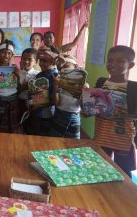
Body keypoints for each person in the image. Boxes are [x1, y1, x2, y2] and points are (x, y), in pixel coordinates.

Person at [91, 46, 137, 177]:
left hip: (122, 137)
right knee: (99, 168)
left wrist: (122, 114)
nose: (113, 64)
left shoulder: (133, 87)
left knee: (123, 172)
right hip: (102, 135)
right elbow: (95, 104)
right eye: (110, 60)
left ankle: (125, 197)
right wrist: (88, 109)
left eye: (119, 61)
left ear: (131, 65)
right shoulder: (101, 82)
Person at [50, 55, 87, 139]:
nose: (64, 70)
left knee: (73, 143)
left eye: (66, 67)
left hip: (74, 117)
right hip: (59, 115)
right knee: (54, 140)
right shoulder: (58, 81)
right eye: (61, 68)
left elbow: (83, 107)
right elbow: (56, 103)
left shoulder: (84, 85)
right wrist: (56, 86)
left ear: (76, 67)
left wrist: (84, 93)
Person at [29, 50, 58, 135]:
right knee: (36, 133)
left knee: (45, 136)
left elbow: (54, 99)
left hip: (48, 113)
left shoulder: (55, 76)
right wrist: (30, 102)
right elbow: (34, 93)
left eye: (44, 61)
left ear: (52, 61)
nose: (41, 63)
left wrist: (38, 105)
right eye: (40, 61)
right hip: (37, 112)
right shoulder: (39, 75)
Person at [0, 41, 21, 133]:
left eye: (9, 53)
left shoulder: (15, 68)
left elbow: (19, 85)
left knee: (11, 125)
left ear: (12, 55)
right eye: (3, 52)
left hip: (13, 100)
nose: (6, 55)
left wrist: (18, 76)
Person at [18, 48, 39, 133]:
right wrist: (23, 87)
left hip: (33, 106)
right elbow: (14, 90)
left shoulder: (37, 75)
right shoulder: (17, 73)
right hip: (19, 103)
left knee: (31, 128)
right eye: (24, 59)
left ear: (35, 61)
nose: (26, 61)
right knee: (19, 126)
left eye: (29, 59)